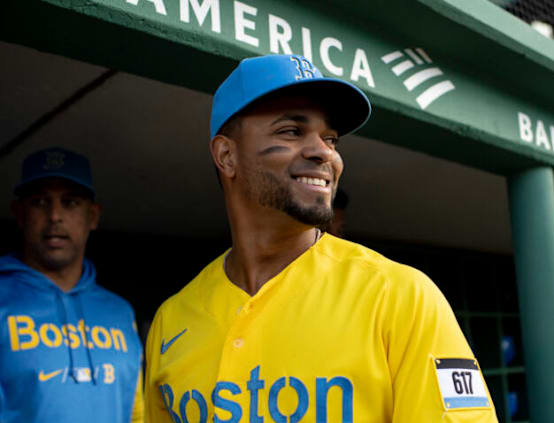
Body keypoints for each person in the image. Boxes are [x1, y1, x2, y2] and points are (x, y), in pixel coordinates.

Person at [144, 54, 498, 422]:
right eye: (292, 131)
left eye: (330, 139)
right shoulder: (171, 321)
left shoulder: (400, 296)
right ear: (226, 156)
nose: (324, 152)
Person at [0, 147, 143, 422]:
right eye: (40, 202)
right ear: (19, 214)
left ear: (93, 216)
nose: (55, 215)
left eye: (71, 202)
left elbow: (137, 413)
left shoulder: (120, 313)